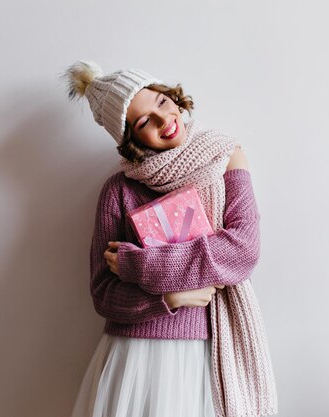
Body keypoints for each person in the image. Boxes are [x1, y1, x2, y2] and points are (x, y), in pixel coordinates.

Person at [62, 60, 265, 417]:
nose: (163, 120)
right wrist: (170, 297)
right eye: (143, 122)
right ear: (130, 139)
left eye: (160, 102)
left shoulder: (226, 156)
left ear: (170, 95)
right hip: (136, 357)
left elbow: (243, 251)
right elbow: (104, 296)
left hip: (211, 353)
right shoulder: (119, 191)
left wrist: (138, 264)